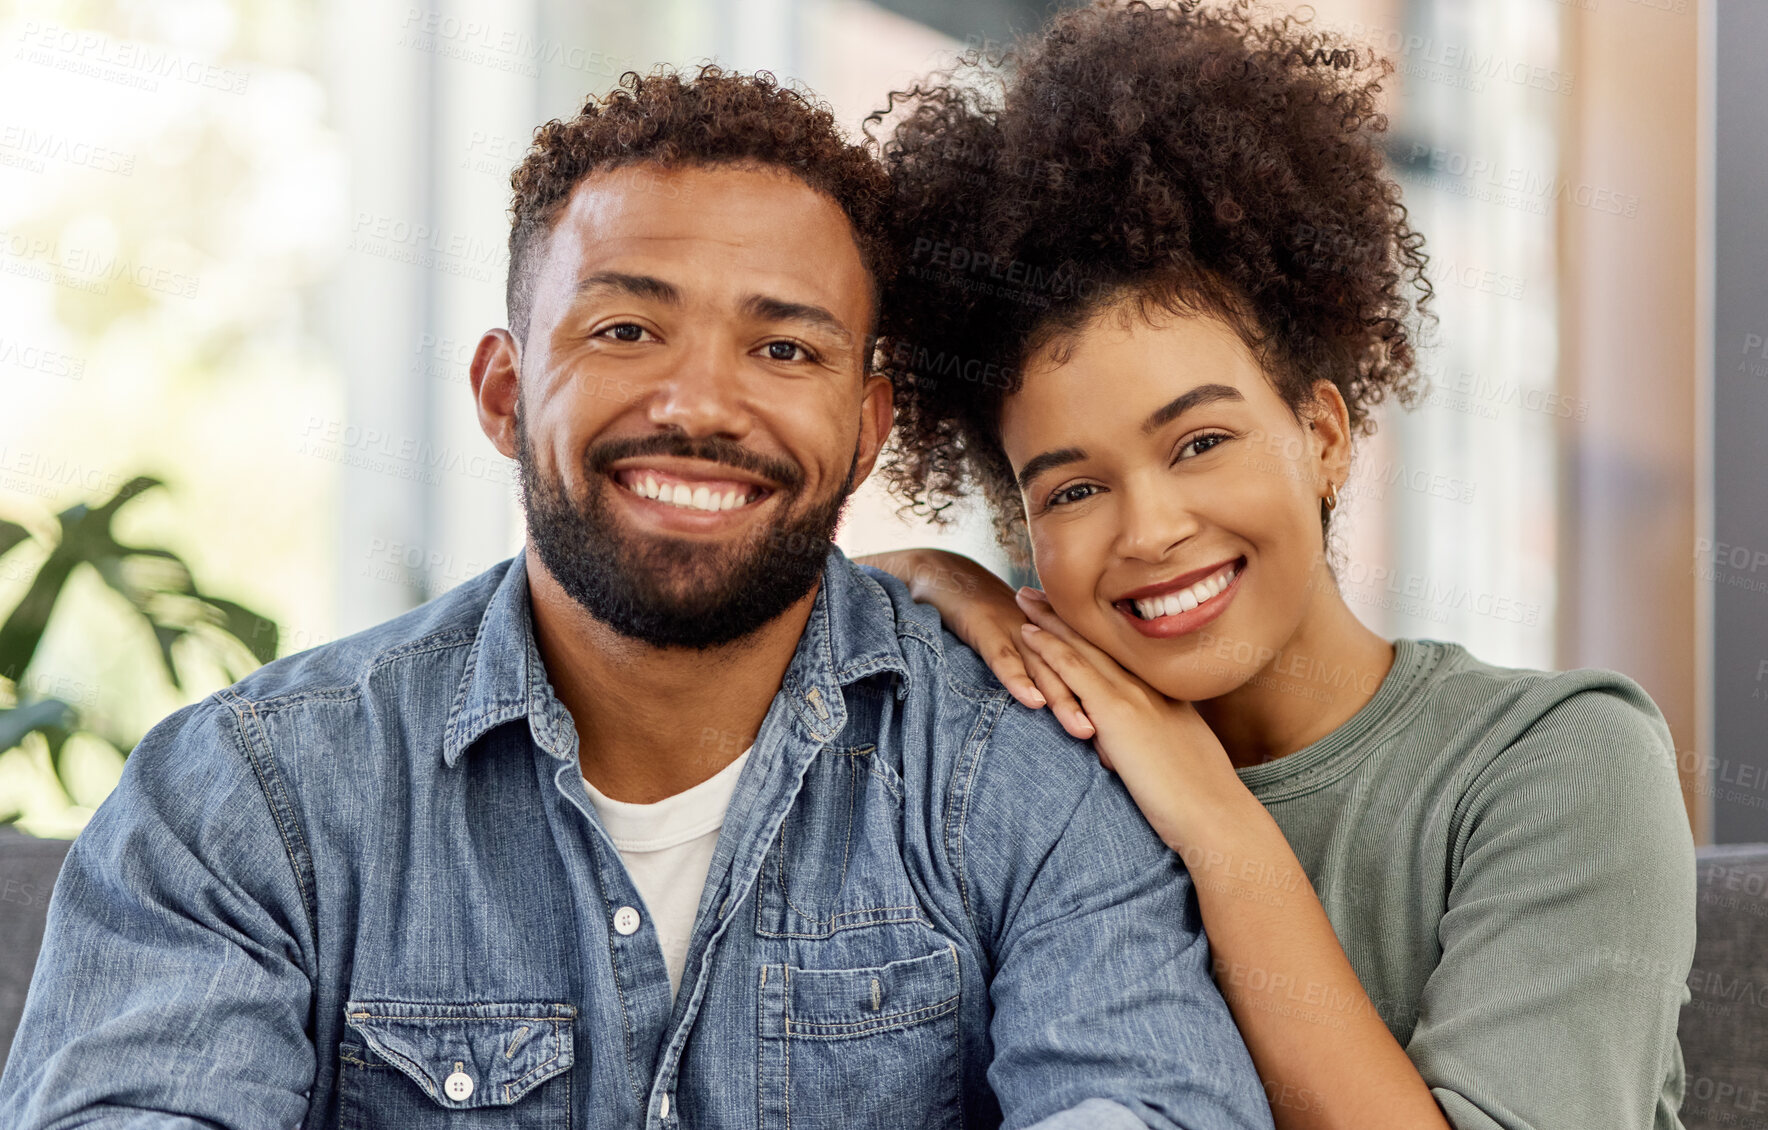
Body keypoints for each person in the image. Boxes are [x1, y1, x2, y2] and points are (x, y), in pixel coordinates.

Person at [0, 66, 1274, 1130]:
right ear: (504, 391)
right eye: (623, 331)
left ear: (867, 424)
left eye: (784, 348)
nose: (699, 404)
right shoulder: (247, 800)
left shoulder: (1024, 782)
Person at [857, 3, 1697, 1128]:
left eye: (1199, 442)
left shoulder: (1561, 763)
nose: (1148, 528)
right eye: (1070, 488)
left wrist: (1209, 810)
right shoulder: (1029, 779)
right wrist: (929, 582)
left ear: (1324, 436)